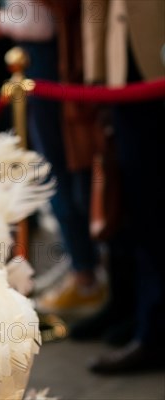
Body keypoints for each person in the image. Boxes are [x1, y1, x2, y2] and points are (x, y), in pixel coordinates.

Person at [0, 0, 105, 312]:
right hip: (44, 65)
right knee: (58, 172)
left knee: (60, 172)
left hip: (49, 67)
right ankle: (82, 270)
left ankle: (86, 274)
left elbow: (40, 24)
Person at [80, 0, 165, 374]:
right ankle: (153, 331)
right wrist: (98, 74)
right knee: (145, 208)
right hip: (126, 71)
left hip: (154, 56)